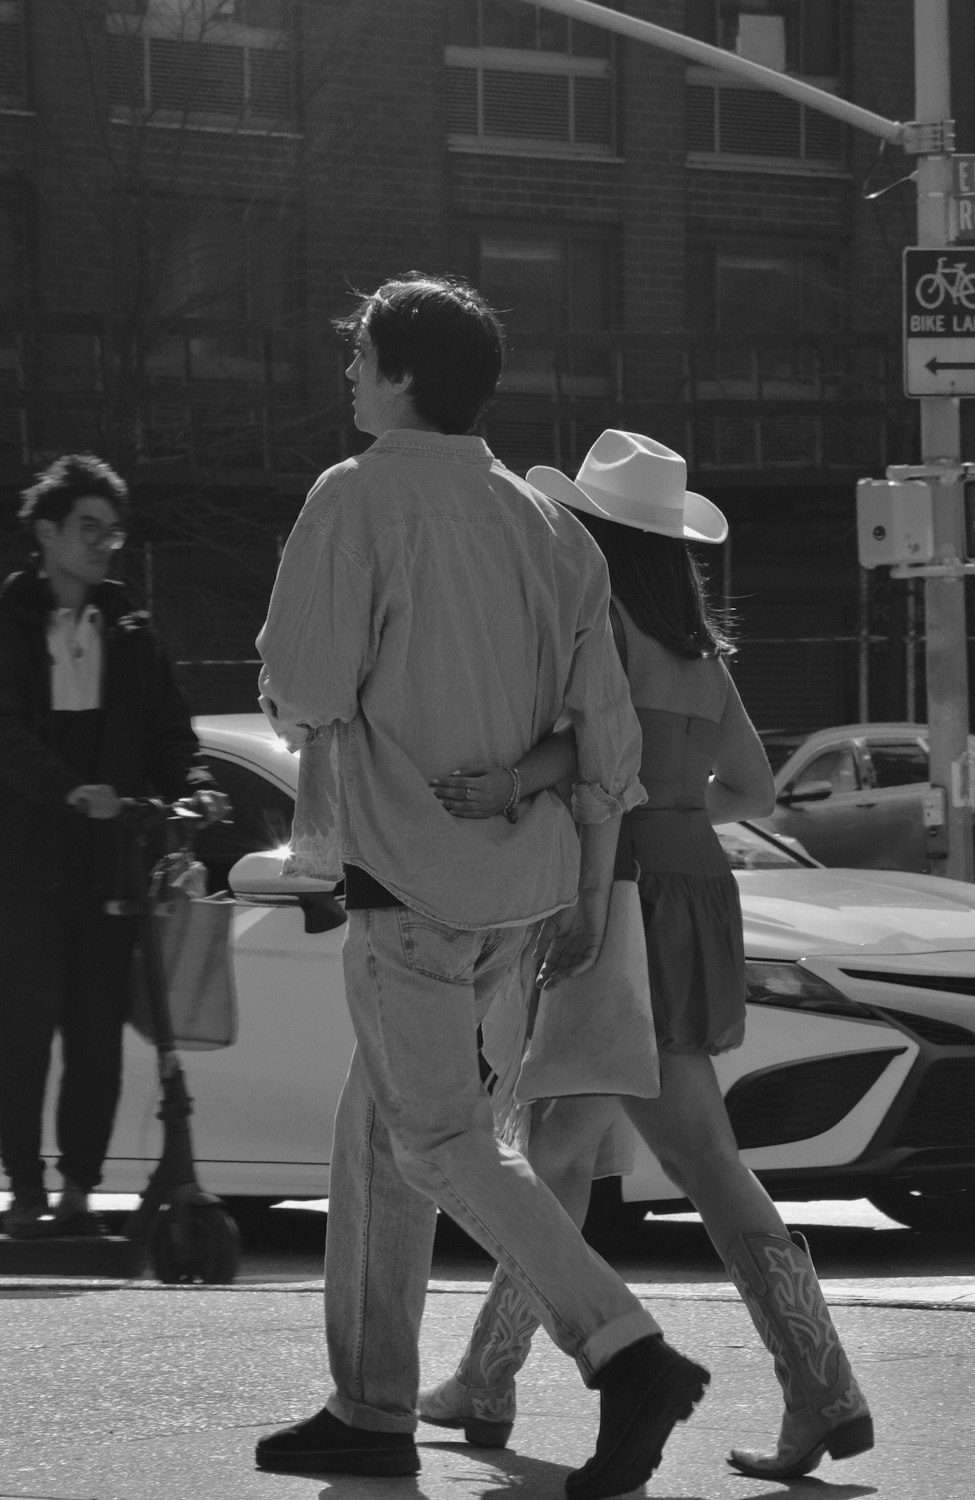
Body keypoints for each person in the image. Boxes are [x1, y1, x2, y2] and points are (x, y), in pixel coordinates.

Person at [254, 276, 710, 1499]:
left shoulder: (352, 500)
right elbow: (604, 747)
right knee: (378, 1138)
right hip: (525, 891)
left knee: (438, 1140)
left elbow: (303, 686)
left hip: (405, 878)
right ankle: (370, 1404)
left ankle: (624, 1350)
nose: (347, 371)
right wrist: (583, 895)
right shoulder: (546, 524)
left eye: (358, 354)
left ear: (399, 371)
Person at [419, 430, 875, 1484]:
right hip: (696, 887)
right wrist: (678, 809)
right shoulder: (698, 651)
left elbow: (589, 756)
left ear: (597, 533)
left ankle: (814, 1389)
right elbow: (753, 792)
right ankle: (489, 1378)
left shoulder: (595, 622)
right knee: (602, 1144)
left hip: (613, 890)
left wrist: (534, 797)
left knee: (595, 1141)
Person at [0, 453, 227, 1240]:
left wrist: (195, 783)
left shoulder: (128, 625)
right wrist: (70, 788)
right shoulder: (12, 620)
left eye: (113, 532)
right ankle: (24, 1192)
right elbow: (8, 734)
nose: (104, 544)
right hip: (24, 866)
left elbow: (172, 730)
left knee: (96, 1035)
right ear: (47, 532)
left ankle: (78, 1191)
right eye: (88, 529)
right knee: (24, 1032)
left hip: (108, 866)